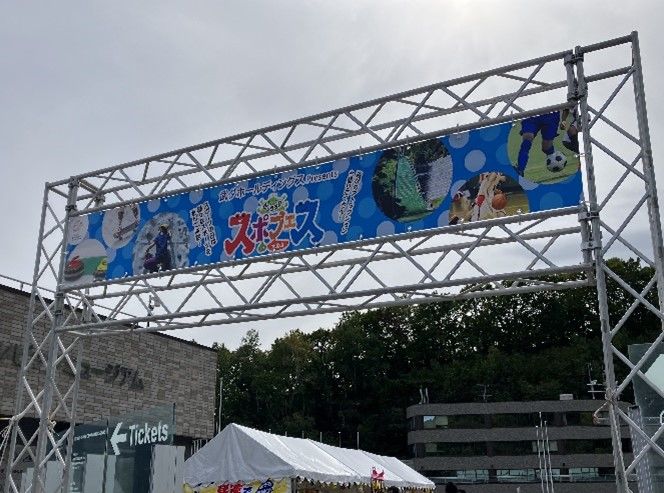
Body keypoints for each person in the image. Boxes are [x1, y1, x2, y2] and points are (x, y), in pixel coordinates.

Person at [515, 111, 561, 175]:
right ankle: (520, 169)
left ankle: (557, 159)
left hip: (550, 114)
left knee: (547, 147)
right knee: (527, 140)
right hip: (531, 113)